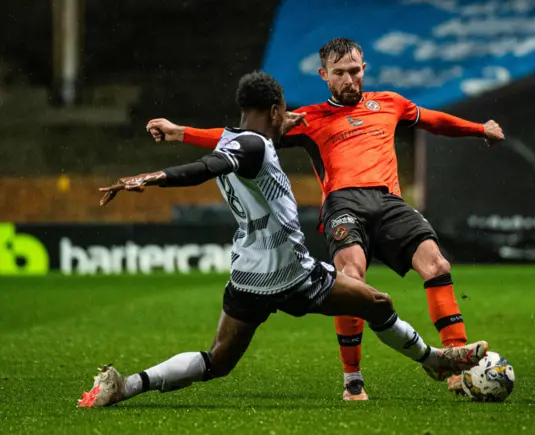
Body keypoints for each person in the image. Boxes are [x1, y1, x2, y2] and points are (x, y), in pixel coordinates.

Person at [78, 71, 487, 408]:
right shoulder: (252, 145)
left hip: (247, 274)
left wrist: (169, 149)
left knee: (218, 360)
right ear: (274, 110)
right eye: (283, 112)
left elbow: (217, 154)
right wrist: (156, 177)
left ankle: (126, 385)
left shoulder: (233, 136)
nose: (288, 118)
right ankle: (433, 360)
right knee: (379, 303)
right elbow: (211, 166)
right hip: (292, 273)